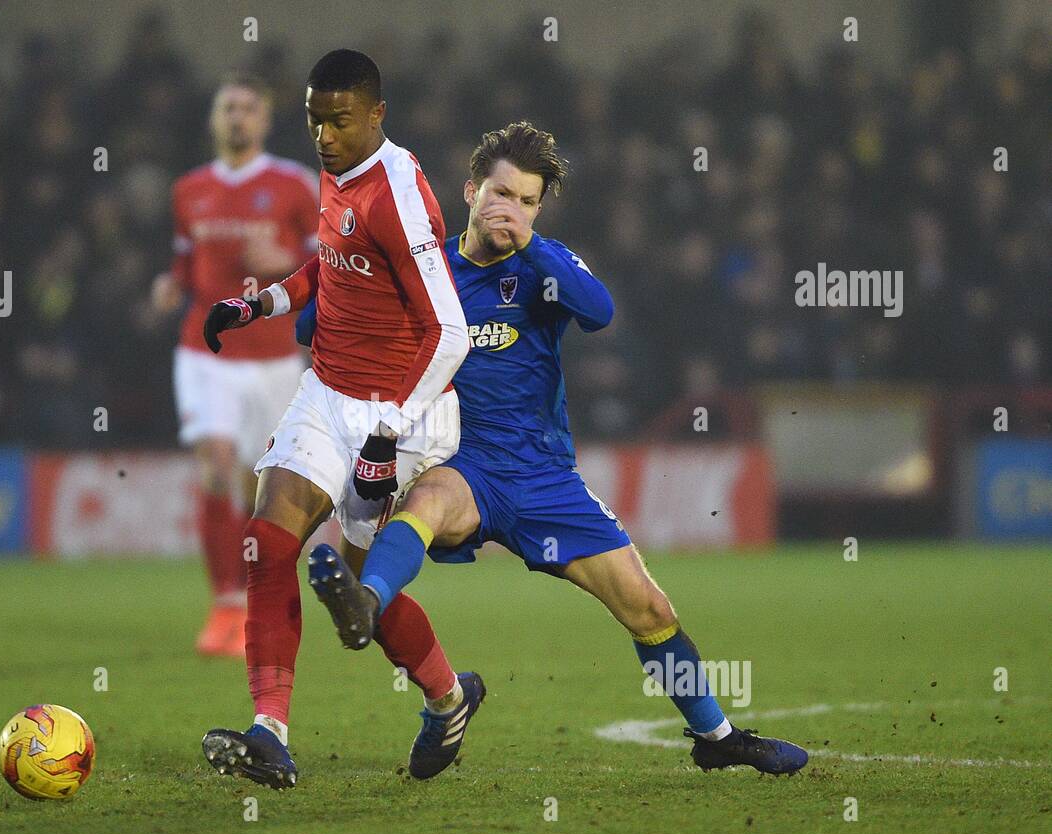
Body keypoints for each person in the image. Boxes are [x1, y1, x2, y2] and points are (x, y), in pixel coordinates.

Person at [306, 122, 809, 776]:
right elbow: (316, 322)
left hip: (545, 480)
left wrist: (533, 246)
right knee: (425, 503)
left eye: (525, 201)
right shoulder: (424, 271)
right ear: (469, 191)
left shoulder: (544, 265)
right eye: (499, 193)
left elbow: (599, 312)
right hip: (467, 466)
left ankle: (715, 738)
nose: (508, 210)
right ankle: (365, 603)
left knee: (649, 609)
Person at [198, 50, 479, 790]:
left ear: (377, 114)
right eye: (315, 119)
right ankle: (270, 732)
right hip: (326, 392)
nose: (323, 134)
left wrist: (389, 434)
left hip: (398, 412)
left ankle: (449, 698)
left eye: (339, 120)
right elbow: (332, 263)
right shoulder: (337, 168)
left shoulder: (399, 191)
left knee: (360, 610)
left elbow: (450, 331)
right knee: (266, 543)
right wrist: (262, 302)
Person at [150, 74, 318, 657]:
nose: (237, 117)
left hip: (274, 357)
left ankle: (256, 598)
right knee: (216, 465)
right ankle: (224, 604)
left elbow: (337, 261)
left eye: (248, 107)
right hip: (206, 351)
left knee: (260, 487)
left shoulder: (297, 185)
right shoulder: (189, 190)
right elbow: (183, 260)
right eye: (228, 107)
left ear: (265, 119)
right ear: (214, 118)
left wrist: (287, 257)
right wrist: (170, 286)